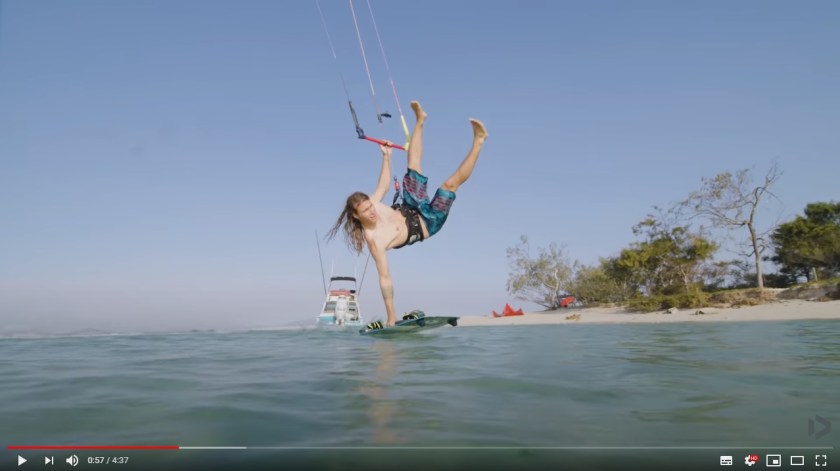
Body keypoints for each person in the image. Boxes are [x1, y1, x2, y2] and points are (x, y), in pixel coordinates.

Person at [326, 101, 487, 328]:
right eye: (366, 211)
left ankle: (420, 120)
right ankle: (479, 141)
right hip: (427, 223)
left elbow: (383, 185)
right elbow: (385, 279)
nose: (372, 211)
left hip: (411, 205)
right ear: (355, 216)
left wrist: (386, 156)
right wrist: (391, 316)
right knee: (450, 185)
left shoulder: (373, 204)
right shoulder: (374, 241)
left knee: (413, 164)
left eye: (371, 206)